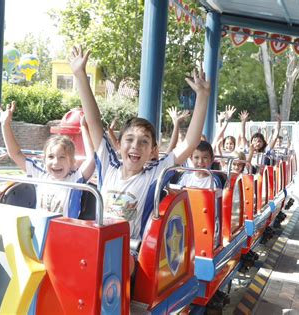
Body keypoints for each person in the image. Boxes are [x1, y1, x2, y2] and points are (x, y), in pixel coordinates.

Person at [70, 45, 210, 240]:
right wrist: (79, 75)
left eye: (144, 142)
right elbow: (94, 121)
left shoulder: (154, 174)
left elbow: (190, 143)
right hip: (97, 245)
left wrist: (202, 97)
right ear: (118, 144)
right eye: (129, 139)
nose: (135, 145)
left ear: (153, 151)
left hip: (130, 253)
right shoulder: (108, 166)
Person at [0, 101, 95, 217]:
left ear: (72, 162)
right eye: (51, 157)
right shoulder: (40, 173)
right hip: (41, 229)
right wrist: (5, 124)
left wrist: (84, 128)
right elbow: (15, 153)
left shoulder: (75, 179)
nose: (56, 162)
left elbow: (91, 159)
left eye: (62, 157)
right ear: (44, 160)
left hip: (66, 230)